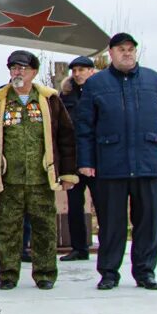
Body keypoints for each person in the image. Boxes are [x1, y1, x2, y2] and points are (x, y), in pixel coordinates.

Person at [73, 32, 157, 291]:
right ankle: (109, 273)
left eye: (131, 49)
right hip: (110, 164)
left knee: (148, 222)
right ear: (110, 53)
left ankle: (145, 272)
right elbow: (85, 127)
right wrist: (85, 161)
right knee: (112, 224)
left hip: (147, 162)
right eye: (121, 49)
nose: (127, 53)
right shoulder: (96, 84)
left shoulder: (154, 81)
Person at [0, 50, 78, 291]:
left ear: (34, 72)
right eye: (14, 68)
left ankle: (45, 273)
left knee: (44, 228)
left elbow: (66, 137)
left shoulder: (49, 100)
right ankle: (8, 275)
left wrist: (68, 173)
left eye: (23, 69)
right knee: (7, 230)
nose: (18, 73)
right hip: (10, 179)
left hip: (41, 177)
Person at [57, 54, 99, 263]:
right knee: (74, 206)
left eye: (82, 70)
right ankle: (78, 247)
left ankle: (107, 245)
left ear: (92, 71)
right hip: (74, 159)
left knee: (102, 205)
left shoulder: (101, 91)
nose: (77, 74)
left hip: (97, 159)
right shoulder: (66, 95)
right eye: (74, 71)